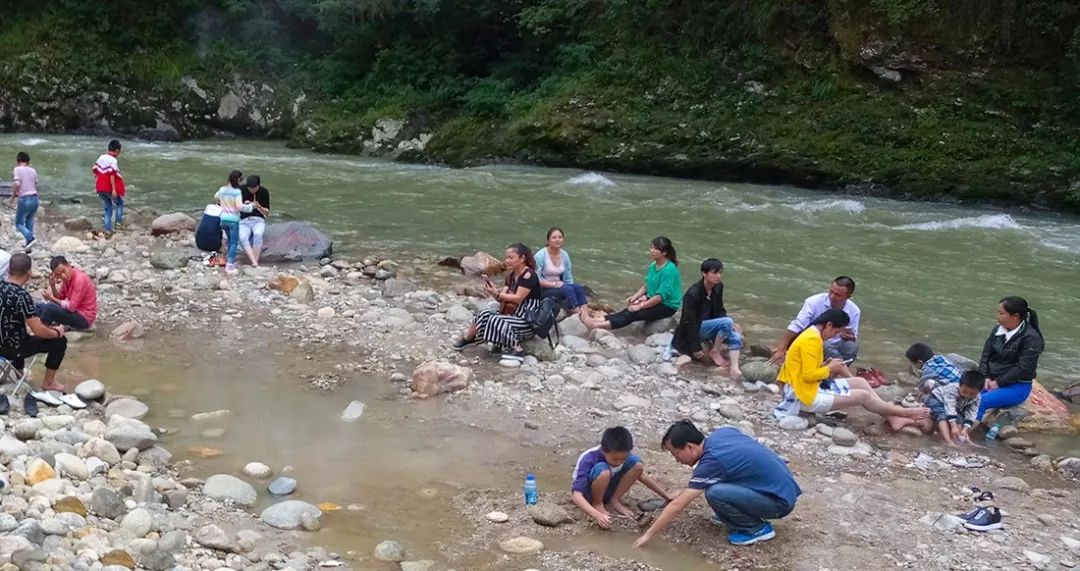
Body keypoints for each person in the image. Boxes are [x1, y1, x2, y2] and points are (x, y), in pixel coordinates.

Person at [635, 421, 801, 548]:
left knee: (715, 492)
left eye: (675, 454)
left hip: (778, 502)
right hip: (782, 488)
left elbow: (679, 505)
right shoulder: (721, 434)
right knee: (715, 484)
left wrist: (648, 535)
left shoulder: (712, 461)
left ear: (689, 447)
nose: (677, 460)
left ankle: (755, 529)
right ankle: (735, 516)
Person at [773, 309, 929, 427]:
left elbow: (805, 370)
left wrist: (826, 366)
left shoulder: (812, 334)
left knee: (860, 382)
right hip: (803, 396)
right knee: (862, 396)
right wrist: (830, 368)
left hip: (806, 388)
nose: (834, 336)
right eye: (836, 331)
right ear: (828, 325)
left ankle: (892, 417)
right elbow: (808, 375)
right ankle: (904, 412)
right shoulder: (811, 340)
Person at [0, 254, 83, 413]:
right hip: (14, 349)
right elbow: (39, 330)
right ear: (29, 273)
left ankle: (18, 375)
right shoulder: (22, 296)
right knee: (59, 342)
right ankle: (49, 382)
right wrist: (56, 332)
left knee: (18, 334)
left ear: (9, 270)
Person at [451, 243, 543, 362]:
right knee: (483, 314)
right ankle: (469, 338)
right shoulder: (510, 276)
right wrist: (493, 292)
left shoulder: (528, 275)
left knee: (495, 320)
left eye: (511, 258)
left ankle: (517, 349)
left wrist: (498, 293)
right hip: (512, 315)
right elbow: (502, 299)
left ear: (522, 259)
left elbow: (518, 298)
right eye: (507, 258)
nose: (507, 261)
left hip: (527, 319)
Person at [571, 426, 673, 530]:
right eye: (615, 459)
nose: (619, 462)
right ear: (604, 451)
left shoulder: (622, 455)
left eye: (623, 459)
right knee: (604, 472)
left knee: (638, 465)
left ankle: (614, 500)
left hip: (609, 488)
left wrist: (666, 496)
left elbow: (640, 474)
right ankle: (598, 503)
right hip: (591, 492)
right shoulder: (589, 458)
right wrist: (596, 515)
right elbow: (576, 495)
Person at [582, 237, 681, 331]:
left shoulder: (669, 270)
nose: (652, 251)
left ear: (664, 252)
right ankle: (597, 320)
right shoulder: (653, 265)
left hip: (666, 306)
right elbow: (647, 285)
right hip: (653, 299)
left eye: (656, 249)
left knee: (633, 313)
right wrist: (634, 296)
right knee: (628, 309)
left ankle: (595, 325)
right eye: (651, 247)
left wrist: (640, 306)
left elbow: (660, 296)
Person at [668, 258, 743, 380]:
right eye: (714, 273)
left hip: (708, 326)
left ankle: (734, 369)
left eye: (720, 272)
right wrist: (695, 347)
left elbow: (720, 309)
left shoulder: (718, 287)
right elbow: (688, 321)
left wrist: (726, 325)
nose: (718, 276)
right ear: (704, 274)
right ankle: (715, 351)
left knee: (736, 337)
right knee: (727, 322)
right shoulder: (693, 294)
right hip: (694, 329)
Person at [976, 296, 1043, 422]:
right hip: (991, 380)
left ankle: (962, 435)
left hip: (1017, 386)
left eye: (1001, 313)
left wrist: (999, 382)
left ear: (1015, 316)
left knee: (980, 401)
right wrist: (984, 377)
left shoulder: (1031, 338)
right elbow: (985, 357)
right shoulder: (997, 330)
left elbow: (1024, 368)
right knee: (965, 394)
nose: (997, 316)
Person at [770, 277, 860, 363]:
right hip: (812, 340)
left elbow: (853, 336)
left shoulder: (854, 310)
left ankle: (832, 372)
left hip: (834, 343)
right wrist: (781, 348)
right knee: (829, 349)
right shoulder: (814, 301)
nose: (832, 296)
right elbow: (797, 325)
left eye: (837, 295)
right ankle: (832, 371)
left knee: (851, 347)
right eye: (831, 292)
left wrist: (849, 336)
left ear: (848, 296)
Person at [534, 227, 589, 314]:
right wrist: (554, 284)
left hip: (560, 286)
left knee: (578, 287)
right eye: (554, 237)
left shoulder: (564, 255)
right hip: (543, 289)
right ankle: (577, 312)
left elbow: (568, 278)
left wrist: (571, 287)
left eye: (560, 237)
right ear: (548, 241)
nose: (557, 240)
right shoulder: (540, 255)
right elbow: (536, 279)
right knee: (567, 289)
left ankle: (585, 312)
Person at [922, 371, 984, 446]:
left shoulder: (977, 397)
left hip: (954, 406)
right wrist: (953, 426)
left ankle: (967, 441)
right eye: (964, 392)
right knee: (942, 415)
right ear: (959, 385)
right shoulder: (952, 389)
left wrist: (965, 428)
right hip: (936, 399)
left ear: (979, 391)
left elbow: (972, 412)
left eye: (972, 394)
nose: (967, 396)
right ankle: (948, 441)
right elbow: (950, 407)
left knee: (960, 419)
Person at [38, 256, 97, 331]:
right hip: (74, 312)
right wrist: (53, 286)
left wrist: (51, 298)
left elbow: (71, 307)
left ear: (68, 265)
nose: (63, 276)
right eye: (59, 275)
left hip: (84, 318)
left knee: (49, 307)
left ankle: (42, 333)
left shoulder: (79, 279)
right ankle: (38, 326)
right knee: (39, 307)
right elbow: (60, 298)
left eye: (63, 271)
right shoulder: (66, 279)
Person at [92, 140, 125, 237]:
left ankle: (107, 229)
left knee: (108, 207)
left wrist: (97, 181)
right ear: (117, 150)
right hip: (108, 187)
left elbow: (95, 170)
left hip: (100, 187)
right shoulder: (113, 160)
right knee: (120, 203)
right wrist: (114, 189)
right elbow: (112, 174)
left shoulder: (101, 157)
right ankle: (118, 222)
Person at [214, 170, 244, 274]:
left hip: (223, 220)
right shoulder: (237, 192)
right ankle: (229, 265)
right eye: (241, 179)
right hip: (233, 220)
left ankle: (227, 259)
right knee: (234, 243)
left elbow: (216, 196)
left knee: (230, 240)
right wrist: (250, 207)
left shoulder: (222, 189)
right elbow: (240, 207)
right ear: (238, 180)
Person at [239, 175, 270, 267]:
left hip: (258, 219)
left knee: (258, 234)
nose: (251, 190)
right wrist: (244, 206)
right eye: (249, 188)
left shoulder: (264, 192)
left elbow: (267, 212)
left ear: (258, 186)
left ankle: (255, 261)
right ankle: (253, 260)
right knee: (243, 237)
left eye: (254, 188)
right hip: (243, 219)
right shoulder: (241, 190)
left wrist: (259, 207)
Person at [11, 152, 39, 251]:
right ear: (28, 161)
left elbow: (17, 183)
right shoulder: (33, 170)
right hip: (35, 198)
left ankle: (30, 238)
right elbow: (36, 185)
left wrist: (13, 196)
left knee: (18, 223)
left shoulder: (17, 169)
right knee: (29, 223)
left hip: (25, 198)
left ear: (18, 161)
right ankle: (28, 247)